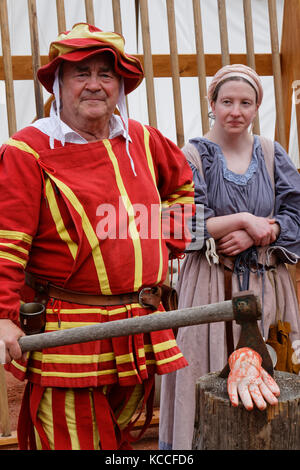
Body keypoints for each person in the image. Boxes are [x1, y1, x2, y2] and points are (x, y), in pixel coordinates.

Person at [0, 28, 280, 450]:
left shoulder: (143, 139)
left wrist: (160, 242)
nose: (95, 83)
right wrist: (3, 315)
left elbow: (183, 186)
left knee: (123, 436)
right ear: (59, 84)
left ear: (121, 85)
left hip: (140, 322)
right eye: (81, 73)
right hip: (68, 333)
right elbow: (8, 240)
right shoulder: (28, 151)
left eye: (106, 74)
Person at [159, 64, 300, 450]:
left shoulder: (273, 154)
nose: (235, 111)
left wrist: (264, 232)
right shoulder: (192, 156)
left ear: (257, 106)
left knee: (273, 373)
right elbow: (183, 222)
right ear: (212, 104)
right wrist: (243, 219)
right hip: (210, 284)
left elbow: (294, 213)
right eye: (227, 102)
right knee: (207, 375)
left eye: (245, 102)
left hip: (268, 283)